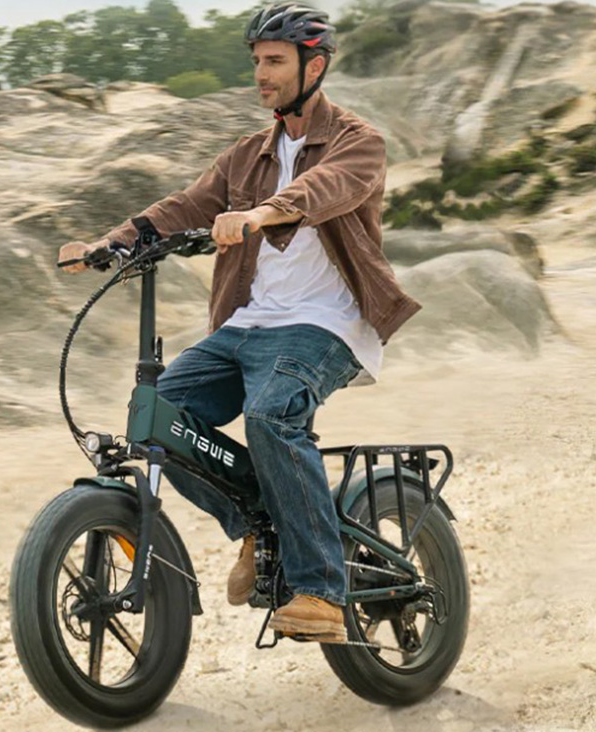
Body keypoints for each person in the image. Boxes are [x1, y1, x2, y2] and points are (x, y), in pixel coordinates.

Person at [58, 2, 421, 643]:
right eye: (257, 62)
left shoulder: (357, 141)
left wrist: (265, 213)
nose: (262, 74)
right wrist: (109, 243)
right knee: (157, 415)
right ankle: (256, 523)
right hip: (250, 324)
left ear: (316, 65)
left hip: (326, 323)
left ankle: (321, 591)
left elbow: (330, 187)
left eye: (275, 62)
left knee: (271, 414)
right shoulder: (245, 156)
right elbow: (185, 206)